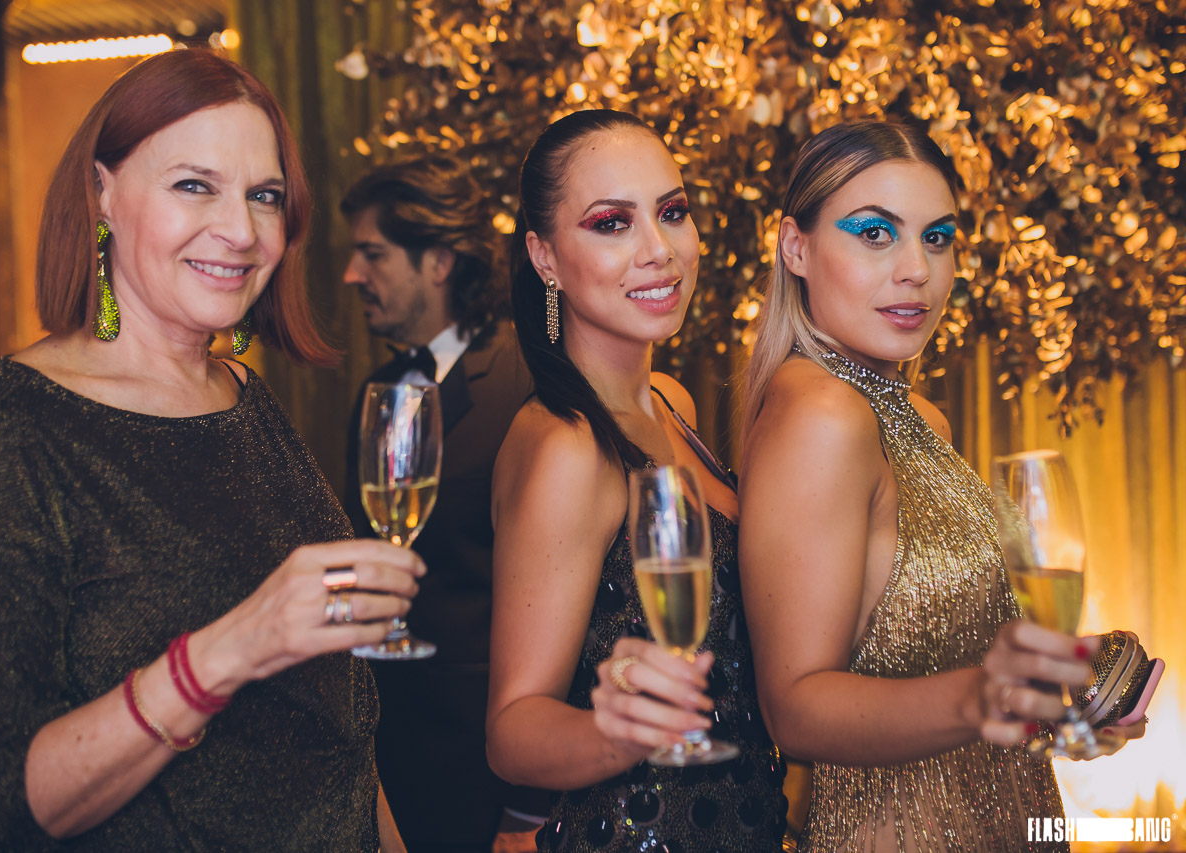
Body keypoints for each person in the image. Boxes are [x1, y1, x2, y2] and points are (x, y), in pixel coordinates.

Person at [0, 50, 424, 851]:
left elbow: (334, 730)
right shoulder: (11, 427)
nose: (241, 231)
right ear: (102, 193)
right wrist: (231, 648)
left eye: (263, 196)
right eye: (194, 185)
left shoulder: (243, 399)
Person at [737, 120, 1145, 851]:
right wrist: (989, 694)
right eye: (875, 234)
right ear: (795, 247)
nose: (917, 270)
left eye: (937, 238)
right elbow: (794, 708)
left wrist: (1049, 704)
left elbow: (938, 668)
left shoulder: (916, 416)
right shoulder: (821, 415)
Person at [486, 109, 788, 853]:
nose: (660, 250)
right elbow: (513, 730)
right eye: (611, 223)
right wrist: (620, 733)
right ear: (545, 257)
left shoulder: (670, 403)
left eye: (672, 212)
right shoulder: (569, 446)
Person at [339, 156, 546, 851]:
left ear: (438, 261)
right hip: (391, 770)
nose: (352, 275)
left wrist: (528, 807)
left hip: (487, 775)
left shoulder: (525, 383)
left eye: (372, 254)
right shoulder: (381, 391)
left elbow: (562, 605)